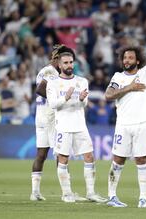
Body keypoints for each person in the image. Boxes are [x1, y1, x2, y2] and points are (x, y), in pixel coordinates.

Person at [104, 15, 146, 208]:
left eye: (130, 57)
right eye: (124, 57)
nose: (126, 60)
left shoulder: (145, 73)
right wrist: (129, 87)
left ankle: (143, 198)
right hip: (123, 125)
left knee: (141, 159)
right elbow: (108, 95)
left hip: (141, 124)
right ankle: (112, 196)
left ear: (137, 60)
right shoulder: (118, 77)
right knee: (118, 160)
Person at [46, 47, 107, 203]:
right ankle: (66, 194)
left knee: (89, 156)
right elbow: (53, 105)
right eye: (65, 63)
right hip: (63, 126)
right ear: (59, 65)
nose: (69, 65)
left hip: (80, 125)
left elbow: (84, 103)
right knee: (63, 159)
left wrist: (81, 99)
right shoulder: (52, 83)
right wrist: (65, 98)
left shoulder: (82, 81)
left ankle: (91, 192)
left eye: (71, 62)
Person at [30, 45, 85, 201]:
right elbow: (40, 90)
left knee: (41, 154)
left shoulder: (45, 70)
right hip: (51, 117)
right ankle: (66, 193)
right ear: (57, 59)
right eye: (63, 60)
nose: (66, 63)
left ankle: (35, 192)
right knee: (61, 154)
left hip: (40, 116)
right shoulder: (50, 72)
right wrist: (58, 99)